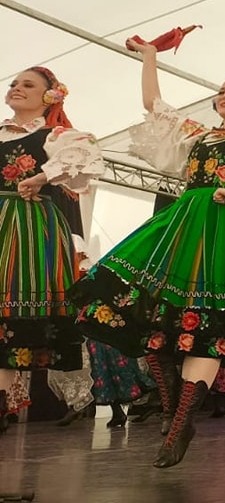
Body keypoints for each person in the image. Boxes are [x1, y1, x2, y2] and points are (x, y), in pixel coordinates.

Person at [70, 39, 225, 467]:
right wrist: (150, 58)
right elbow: (155, 106)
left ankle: (181, 424)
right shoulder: (199, 135)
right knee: (147, 307)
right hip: (185, 225)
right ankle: (172, 399)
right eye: (222, 90)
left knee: (210, 324)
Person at [0, 66, 102, 434]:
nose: (16, 88)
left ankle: (1, 401)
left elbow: (88, 152)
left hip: (27, 225)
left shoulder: (53, 136)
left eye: (27, 84)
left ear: (49, 95)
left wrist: (43, 176)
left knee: (12, 313)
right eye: (14, 83)